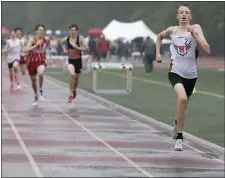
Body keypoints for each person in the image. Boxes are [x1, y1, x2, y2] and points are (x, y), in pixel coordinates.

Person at [155, 3, 210, 151]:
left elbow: (207, 50)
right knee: (182, 98)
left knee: (183, 107)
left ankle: (176, 124)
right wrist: (158, 53)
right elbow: (159, 37)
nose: (184, 15)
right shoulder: (172, 30)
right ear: (177, 16)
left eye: (187, 13)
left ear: (190, 16)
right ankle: (179, 138)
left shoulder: (196, 28)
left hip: (191, 74)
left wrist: (195, 35)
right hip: (175, 71)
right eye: (181, 12)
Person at [61, 24, 89, 103]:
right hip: (70, 60)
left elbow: (87, 48)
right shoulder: (67, 39)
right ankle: (70, 94)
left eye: (74, 30)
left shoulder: (80, 39)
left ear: (77, 31)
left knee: (76, 80)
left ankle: (74, 90)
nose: (72, 32)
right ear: (69, 31)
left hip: (78, 61)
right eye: (71, 30)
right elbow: (62, 43)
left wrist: (77, 48)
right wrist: (64, 49)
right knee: (72, 75)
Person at [24, 24, 50, 105]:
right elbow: (25, 49)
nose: (41, 31)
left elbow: (48, 47)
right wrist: (35, 45)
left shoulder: (46, 40)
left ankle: (41, 90)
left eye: (43, 30)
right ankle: (36, 95)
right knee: (33, 82)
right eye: (40, 30)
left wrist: (48, 57)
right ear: (36, 31)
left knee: (41, 73)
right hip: (32, 63)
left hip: (41, 61)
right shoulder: (32, 40)